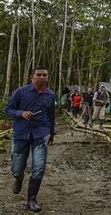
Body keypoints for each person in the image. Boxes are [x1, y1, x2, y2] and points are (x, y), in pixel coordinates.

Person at [4, 66, 56, 212]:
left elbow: (51, 115)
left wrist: (52, 133)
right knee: (17, 168)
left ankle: (31, 200)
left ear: (47, 77)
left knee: (39, 166)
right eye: (38, 75)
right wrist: (21, 113)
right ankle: (18, 177)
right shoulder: (21, 92)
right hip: (21, 134)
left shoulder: (50, 95)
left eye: (44, 75)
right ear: (32, 76)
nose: (41, 77)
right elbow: (7, 110)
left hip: (41, 134)